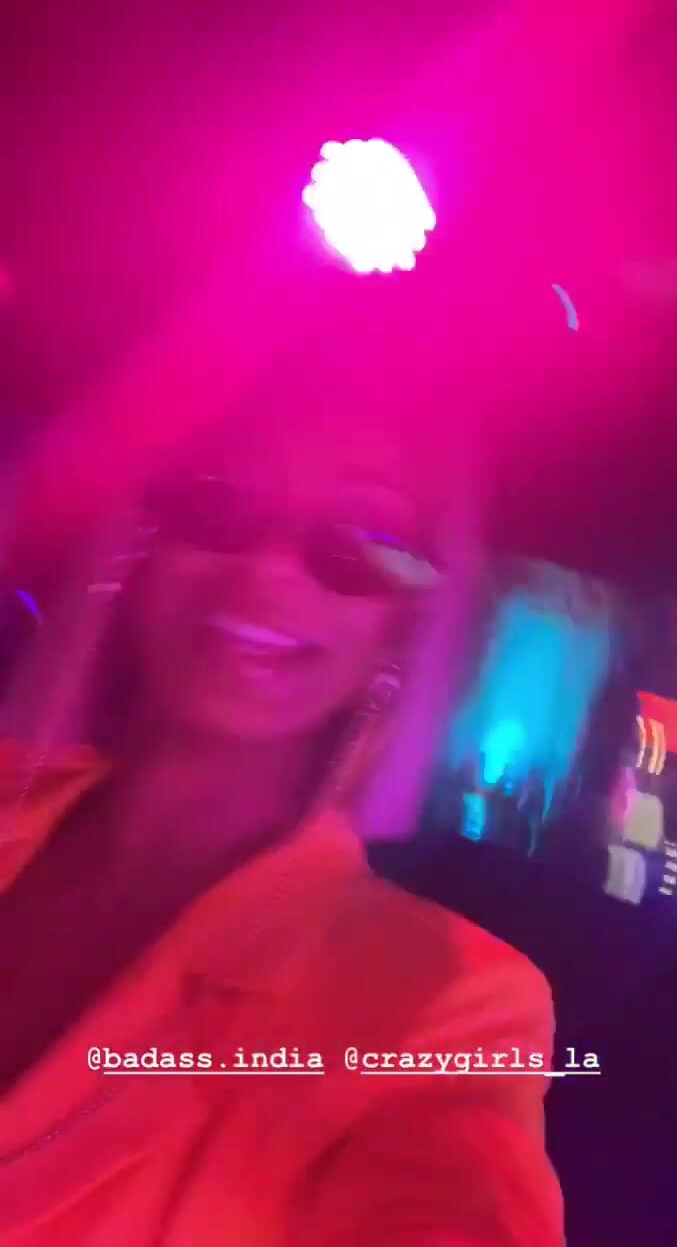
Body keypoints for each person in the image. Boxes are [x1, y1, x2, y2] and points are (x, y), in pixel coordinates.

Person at [0, 387, 563, 1245]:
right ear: (146, 544)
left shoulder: (443, 1003)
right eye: (219, 503)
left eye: (363, 540)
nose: (267, 567)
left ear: (404, 629)